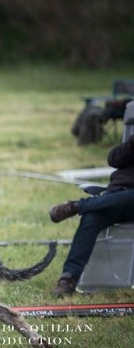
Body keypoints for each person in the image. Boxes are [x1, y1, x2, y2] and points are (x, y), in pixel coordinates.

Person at [49, 126, 134, 297]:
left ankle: (77, 206)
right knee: (91, 218)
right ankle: (68, 278)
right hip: (115, 196)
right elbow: (113, 160)